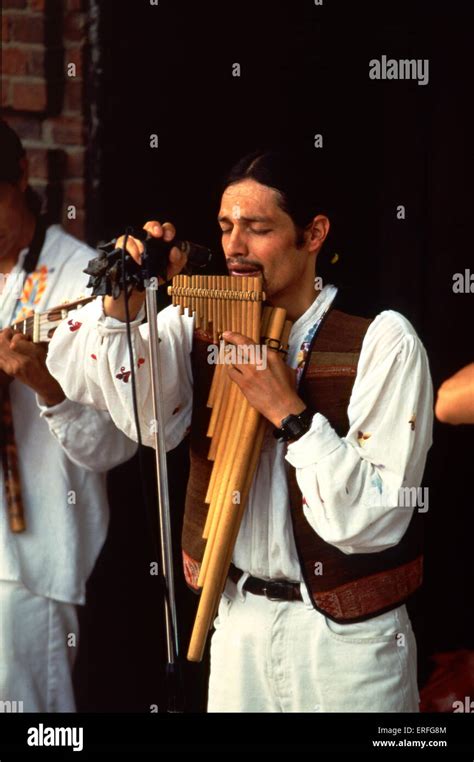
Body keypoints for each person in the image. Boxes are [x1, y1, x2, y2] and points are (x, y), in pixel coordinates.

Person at [47, 149, 433, 712]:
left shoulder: (384, 341)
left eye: (258, 229)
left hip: (348, 646)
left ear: (313, 233)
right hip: (238, 624)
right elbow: (144, 421)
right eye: (226, 227)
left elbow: (375, 518)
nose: (233, 247)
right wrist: (124, 312)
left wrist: (289, 413)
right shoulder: (198, 323)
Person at [0, 121, 137, 712]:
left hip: (28, 567)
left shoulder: (82, 280)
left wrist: (47, 386)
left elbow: (117, 441)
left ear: (22, 180)